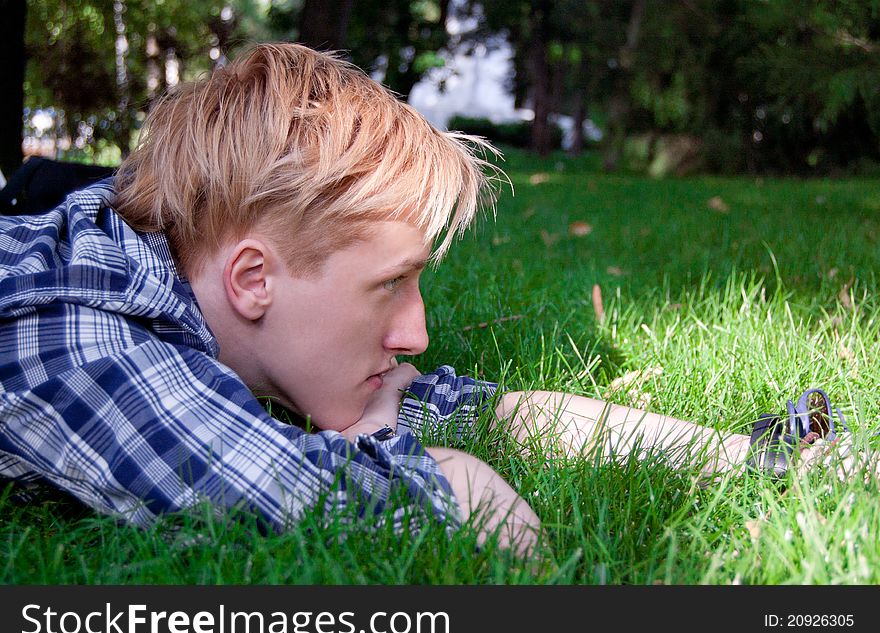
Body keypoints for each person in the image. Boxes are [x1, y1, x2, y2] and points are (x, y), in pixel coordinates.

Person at [0, 43, 848, 558]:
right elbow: (320, 498)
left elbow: (480, 413)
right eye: (387, 287)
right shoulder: (73, 327)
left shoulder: (216, 293)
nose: (417, 332)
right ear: (253, 280)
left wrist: (763, 459)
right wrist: (437, 472)